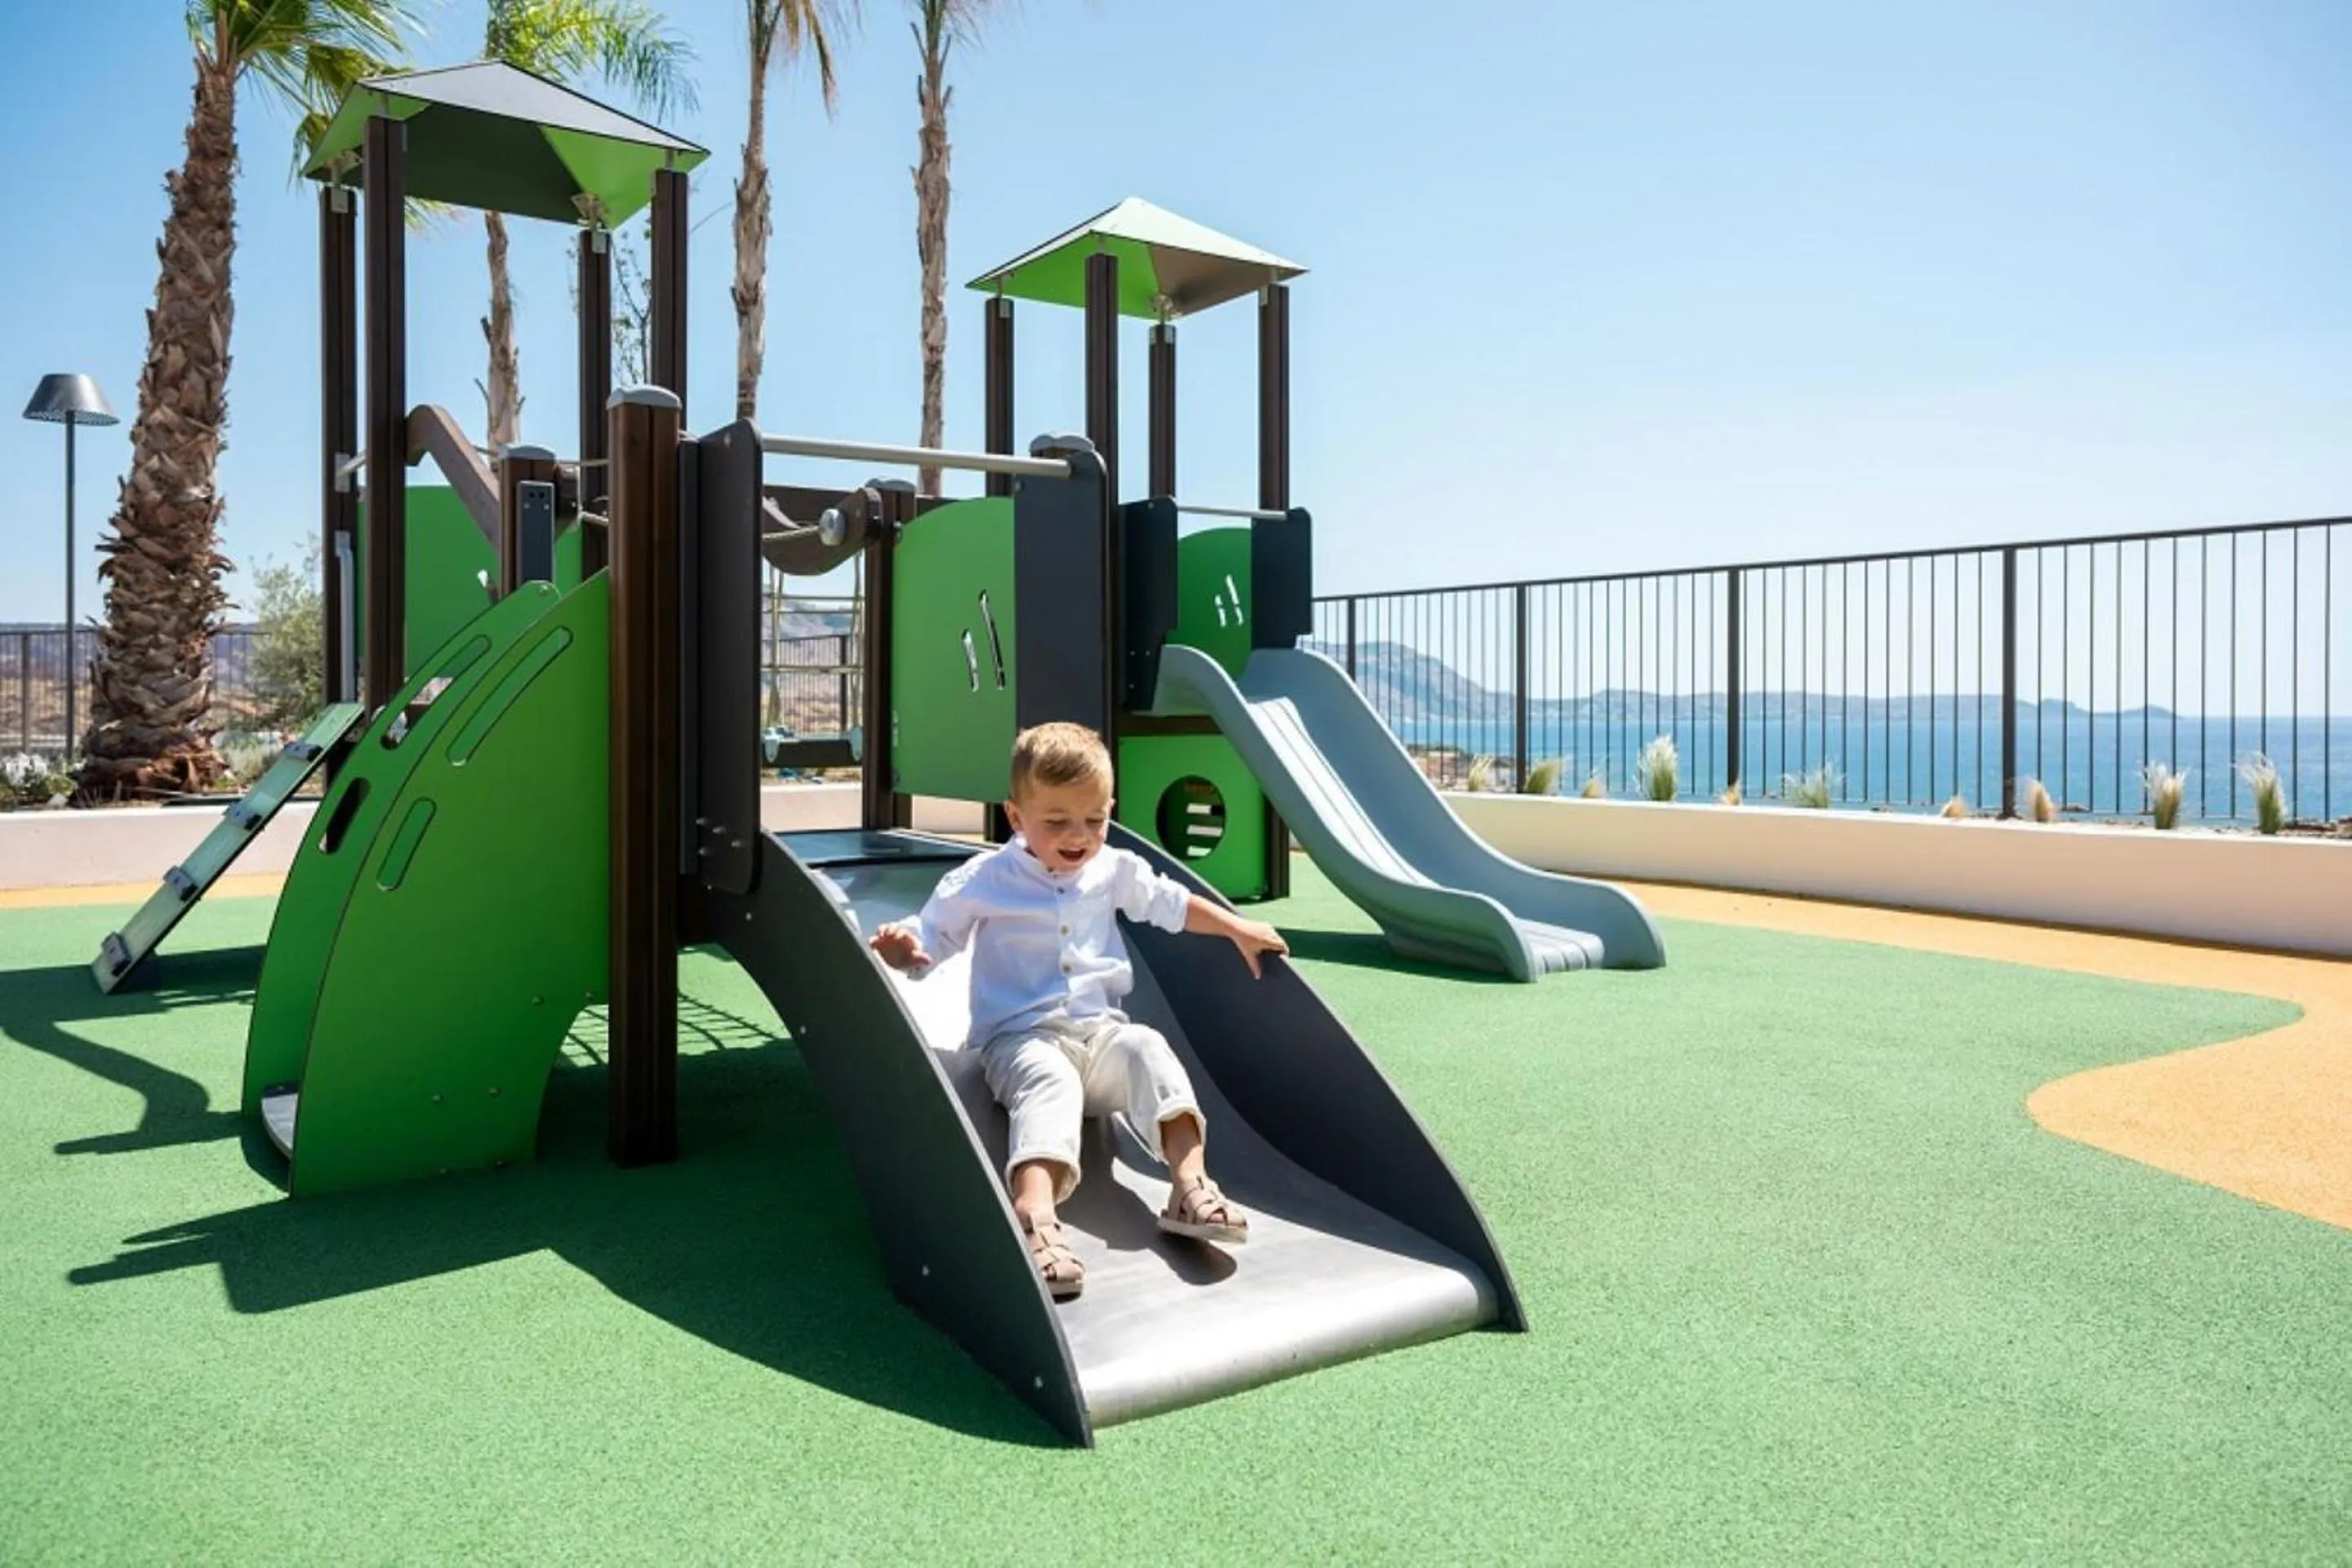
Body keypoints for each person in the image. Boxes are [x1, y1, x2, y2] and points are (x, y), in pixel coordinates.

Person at [870, 721, 1290, 1300]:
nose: (1079, 835)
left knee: (1149, 1048)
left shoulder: (1113, 868)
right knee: (1050, 1084)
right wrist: (907, 951)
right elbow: (933, 939)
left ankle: (1189, 1185)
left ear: (1109, 809)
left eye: (1094, 820)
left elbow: (1169, 902)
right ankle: (1035, 1216)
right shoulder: (985, 880)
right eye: (1057, 821)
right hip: (1021, 1041)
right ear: (1016, 817)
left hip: (1100, 1039)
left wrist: (1235, 927)